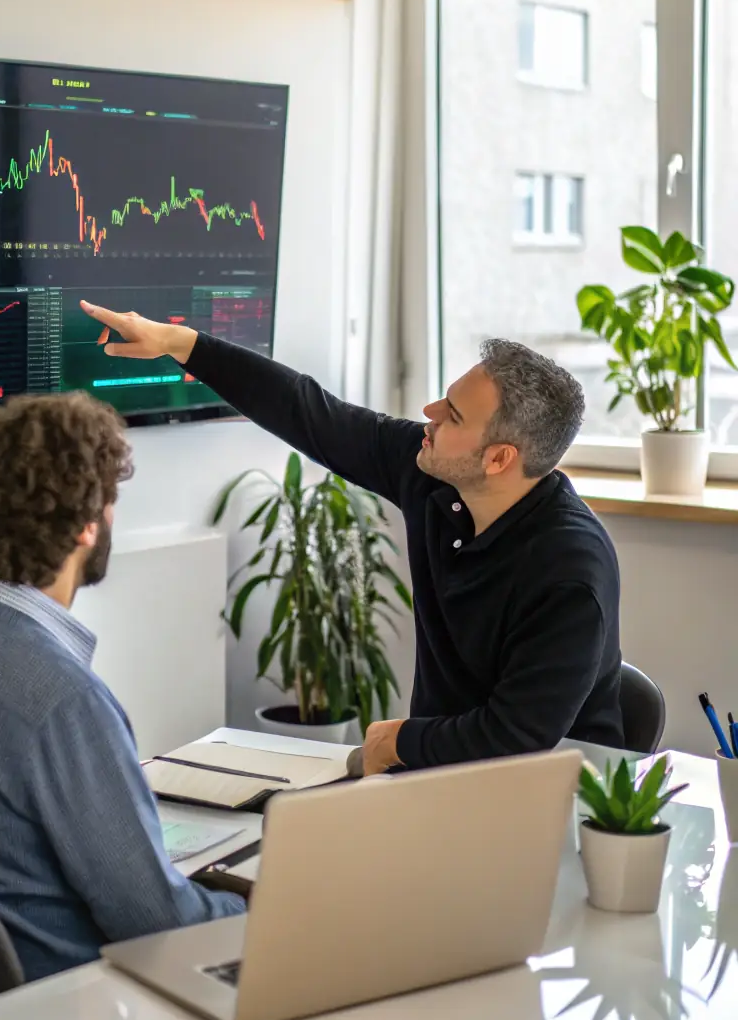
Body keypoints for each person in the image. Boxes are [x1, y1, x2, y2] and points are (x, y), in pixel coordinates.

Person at [80, 300, 624, 776]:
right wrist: (180, 343)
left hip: (556, 804)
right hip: (441, 781)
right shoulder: (434, 472)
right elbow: (312, 414)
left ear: (500, 458)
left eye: (451, 414)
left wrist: (396, 743)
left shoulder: (570, 570)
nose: (428, 415)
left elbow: (517, 736)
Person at [0, 393, 244, 981]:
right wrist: (258, 907)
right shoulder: (63, 702)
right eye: (111, 501)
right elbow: (156, 921)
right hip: (61, 997)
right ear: (85, 527)